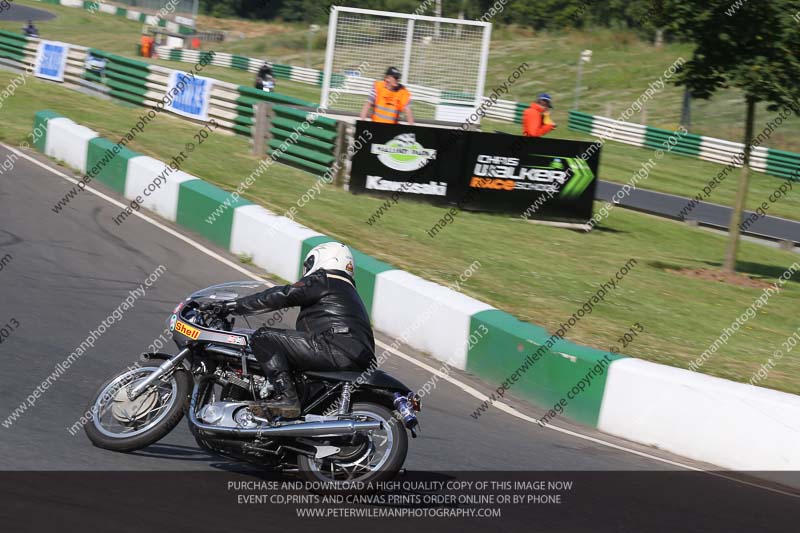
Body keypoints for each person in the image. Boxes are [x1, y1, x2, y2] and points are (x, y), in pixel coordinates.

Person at [201, 242, 375, 418]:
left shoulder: (325, 279)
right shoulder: (350, 292)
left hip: (334, 347)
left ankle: (287, 399)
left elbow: (282, 295)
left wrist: (233, 306)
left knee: (263, 337)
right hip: (355, 355)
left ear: (320, 259)